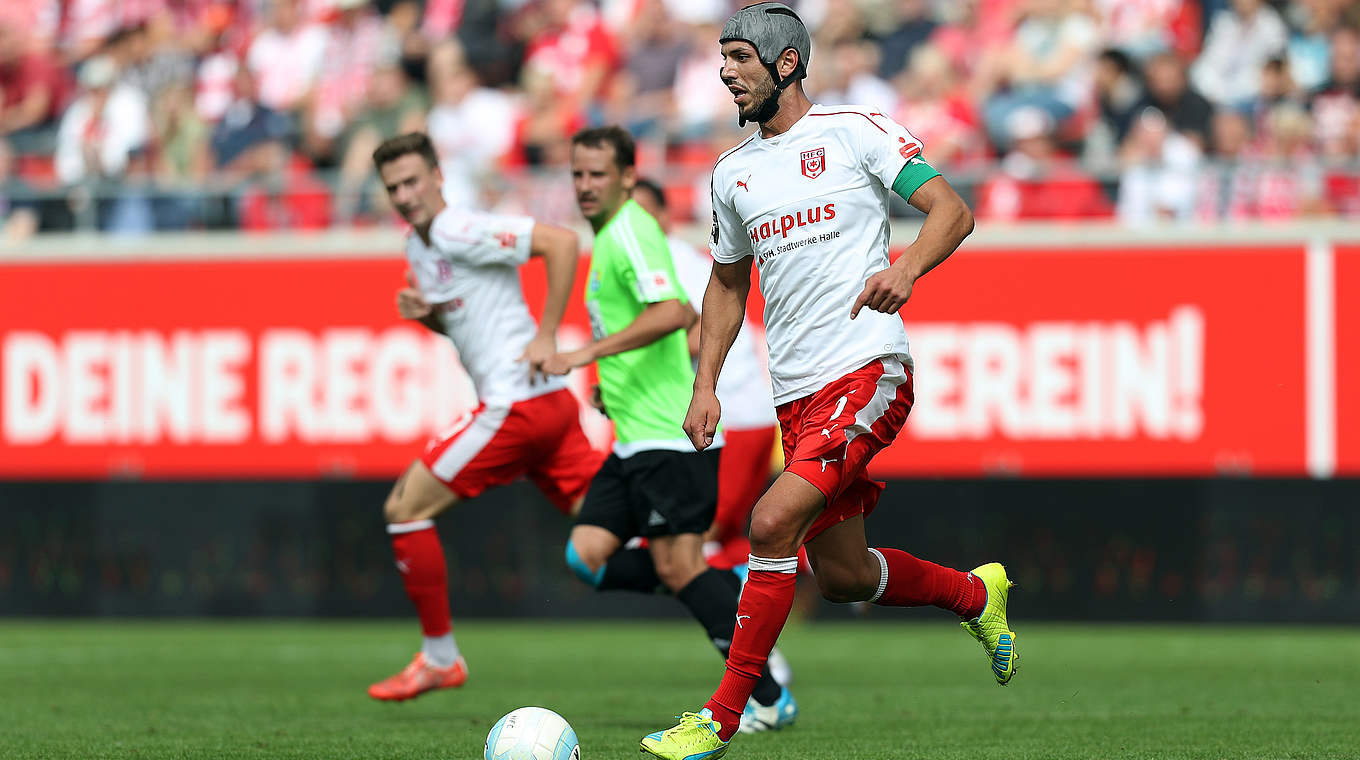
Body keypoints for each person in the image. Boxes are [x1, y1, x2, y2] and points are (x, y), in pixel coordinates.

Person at [640, 5, 1014, 757]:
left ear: (786, 64)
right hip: (796, 394)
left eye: (741, 56)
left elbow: (952, 208)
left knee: (771, 523)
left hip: (869, 369)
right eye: (722, 57)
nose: (726, 71)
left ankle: (721, 717)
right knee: (842, 577)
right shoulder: (732, 173)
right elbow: (724, 286)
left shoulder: (855, 131)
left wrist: (905, 269)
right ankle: (978, 595)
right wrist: (704, 383)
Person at [543, 126, 794, 734]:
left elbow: (677, 313)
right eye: (577, 175)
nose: (585, 186)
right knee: (587, 556)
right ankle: (717, 588)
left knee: (681, 565)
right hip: (633, 440)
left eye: (598, 174)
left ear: (629, 177)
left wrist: (584, 355)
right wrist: (613, 378)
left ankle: (768, 693)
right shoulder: (610, 235)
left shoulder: (630, 231)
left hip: (669, 439)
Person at [365, 132, 602, 701]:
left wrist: (547, 333)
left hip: (515, 405)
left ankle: (440, 658)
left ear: (438, 176)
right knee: (613, 538)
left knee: (404, 508)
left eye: (413, 180)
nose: (404, 194)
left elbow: (562, 242)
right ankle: (726, 578)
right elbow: (466, 324)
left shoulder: (457, 228)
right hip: (547, 407)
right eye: (393, 186)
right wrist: (429, 317)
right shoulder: (419, 248)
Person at [628, 178, 778, 575]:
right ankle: (817, 565)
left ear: (665, 217)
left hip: (733, 417)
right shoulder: (662, 260)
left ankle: (819, 566)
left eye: (643, 214)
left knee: (701, 538)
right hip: (734, 416)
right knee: (724, 538)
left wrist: (630, 363)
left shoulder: (671, 261)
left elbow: (700, 334)